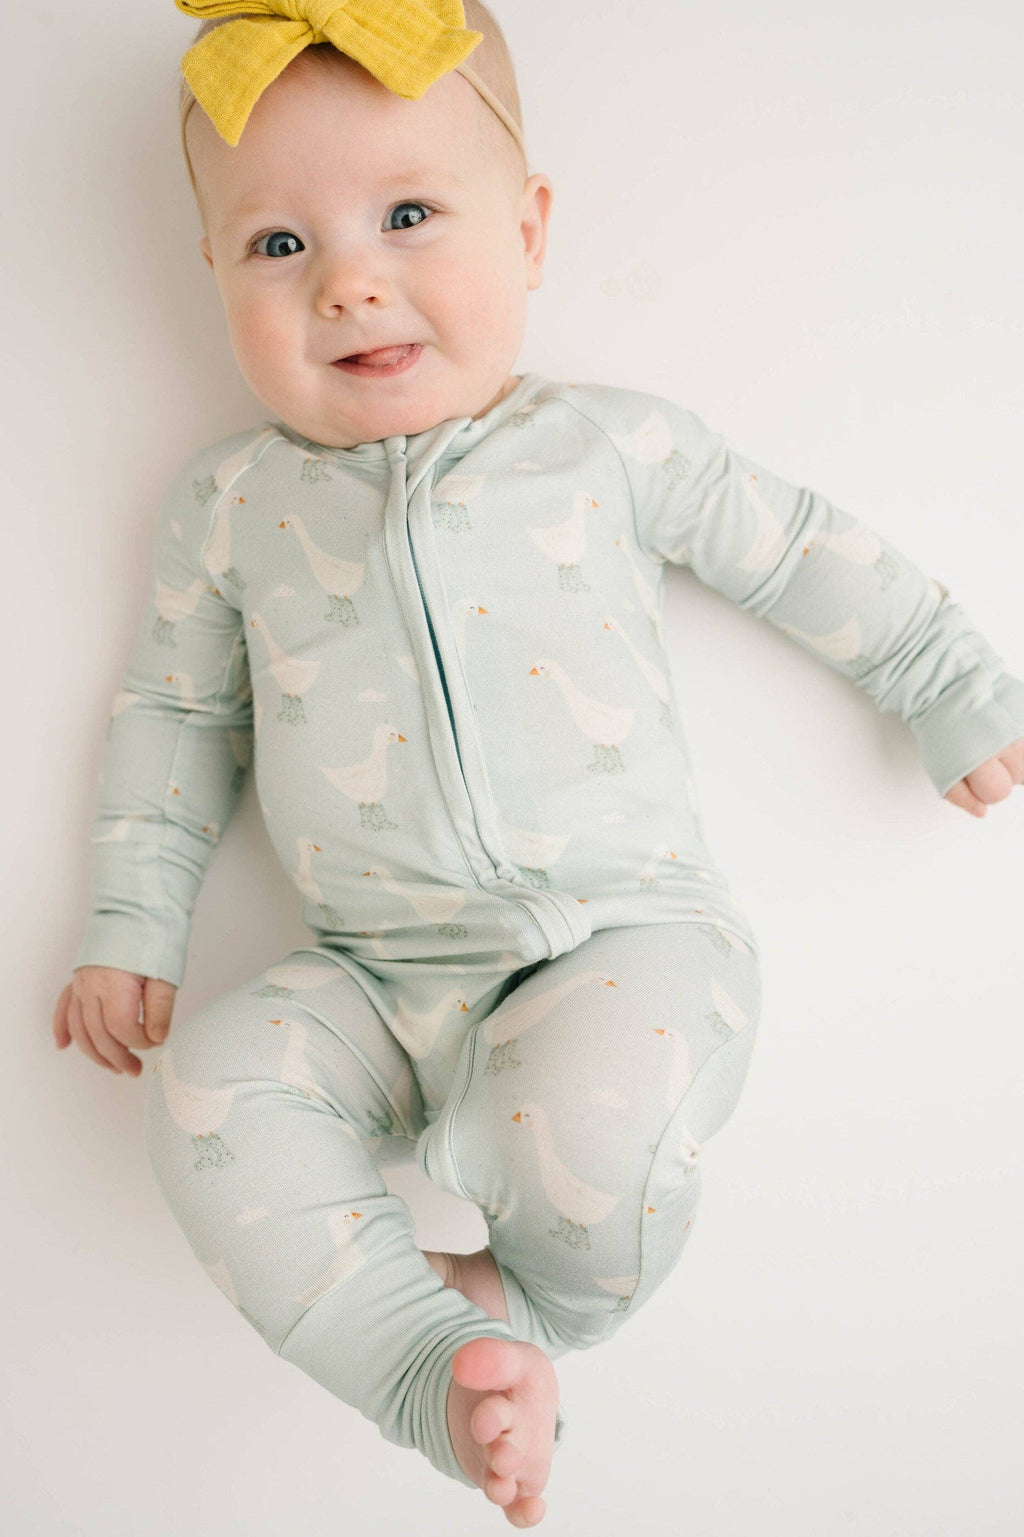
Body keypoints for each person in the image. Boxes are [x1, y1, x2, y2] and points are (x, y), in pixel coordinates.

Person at [53, 1, 1024, 1526]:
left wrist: (944, 676)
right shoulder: (230, 506)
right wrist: (133, 922)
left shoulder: (609, 447)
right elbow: (173, 715)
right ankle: (422, 1366)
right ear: (213, 272)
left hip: (619, 934)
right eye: (278, 245)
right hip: (372, 977)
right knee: (211, 1093)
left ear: (529, 230)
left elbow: (796, 549)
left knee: (588, 1125)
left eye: (409, 216)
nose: (349, 279)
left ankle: (529, 1313)